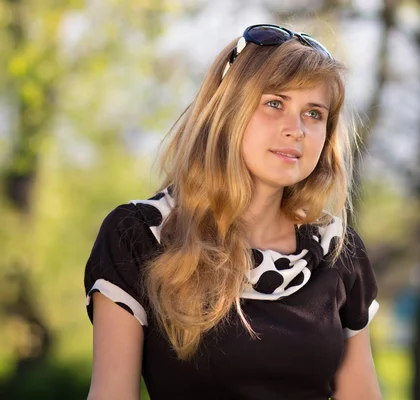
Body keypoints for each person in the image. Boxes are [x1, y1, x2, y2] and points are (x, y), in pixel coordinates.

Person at [84, 24, 381, 400]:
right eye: (275, 103)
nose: (297, 130)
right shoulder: (139, 236)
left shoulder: (336, 250)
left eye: (314, 114)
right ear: (227, 112)